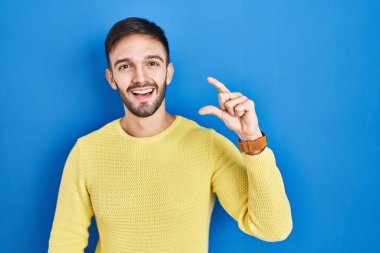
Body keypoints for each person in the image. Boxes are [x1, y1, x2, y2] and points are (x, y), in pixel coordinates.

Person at [48, 17, 292, 253]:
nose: (140, 78)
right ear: (111, 78)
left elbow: (273, 229)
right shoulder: (87, 151)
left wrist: (253, 141)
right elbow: (65, 244)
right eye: (125, 66)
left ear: (168, 72)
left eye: (152, 63)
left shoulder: (207, 144)